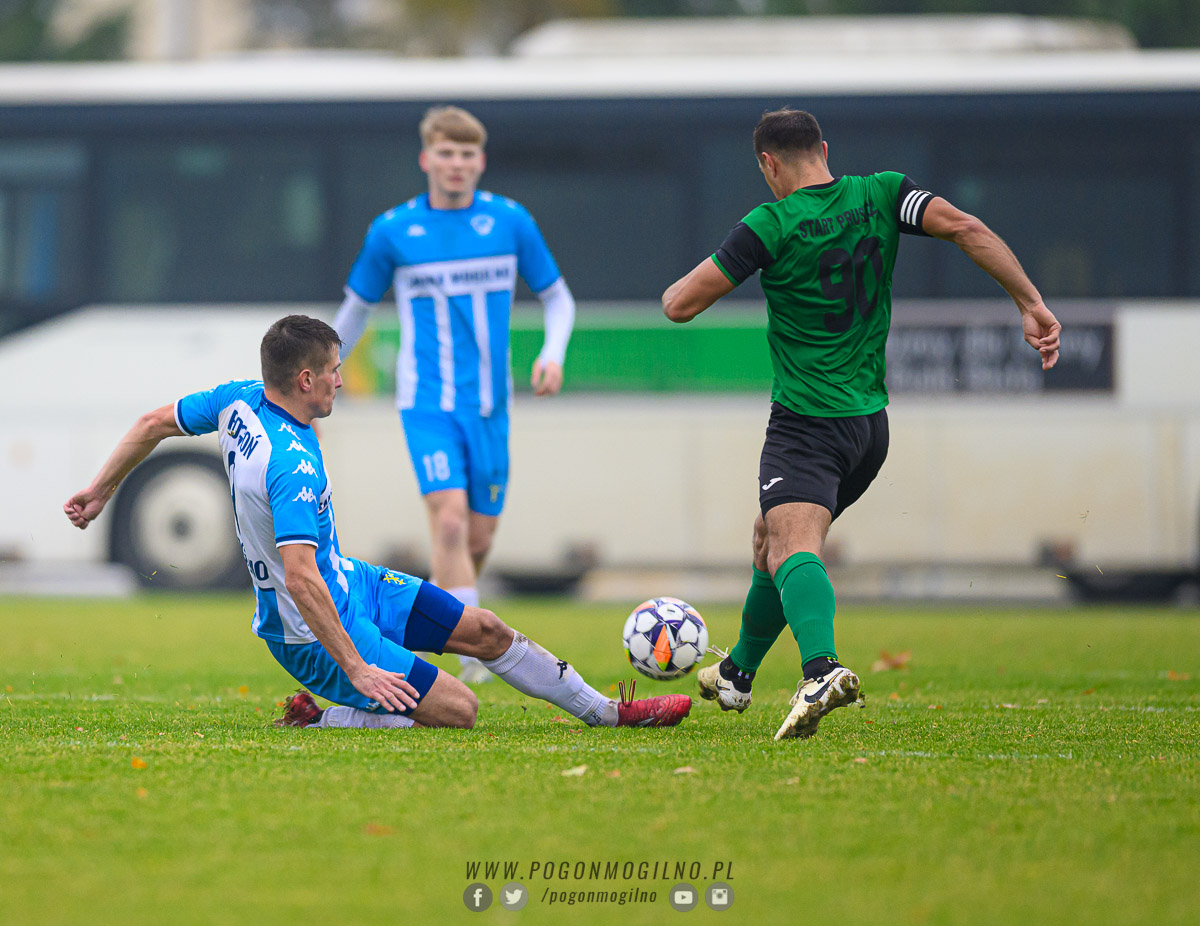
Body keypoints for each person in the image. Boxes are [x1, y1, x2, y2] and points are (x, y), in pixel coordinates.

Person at [63, 315, 689, 731]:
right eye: (334, 370)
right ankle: (325, 715)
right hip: (312, 629)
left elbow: (152, 423)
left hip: (352, 584)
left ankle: (608, 714)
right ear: (305, 380)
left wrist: (98, 490)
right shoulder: (292, 466)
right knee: (460, 711)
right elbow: (301, 580)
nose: (342, 380)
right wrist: (358, 669)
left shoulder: (239, 398)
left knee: (487, 629)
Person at [662, 108, 1060, 741]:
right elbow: (963, 226)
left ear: (768, 164)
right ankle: (738, 673)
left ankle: (820, 669)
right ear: (824, 147)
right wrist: (1031, 302)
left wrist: (739, 252)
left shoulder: (770, 223)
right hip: (869, 428)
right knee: (769, 534)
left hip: (806, 424)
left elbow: (678, 305)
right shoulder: (884, 192)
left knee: (794, 546)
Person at [332, 105, 575, 685]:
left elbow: (558, 298)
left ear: (480, 162)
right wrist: (319, 372)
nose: (457, 164)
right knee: (448, 523)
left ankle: (438, 623)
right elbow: (353, 312)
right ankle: (475, 655)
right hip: (427, 402)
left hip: (492, 405)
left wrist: (552, 353)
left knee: (478, 536)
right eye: (446, 153)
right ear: (426, 159)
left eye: (467, 155)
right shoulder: (392, 230)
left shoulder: (510, 221)